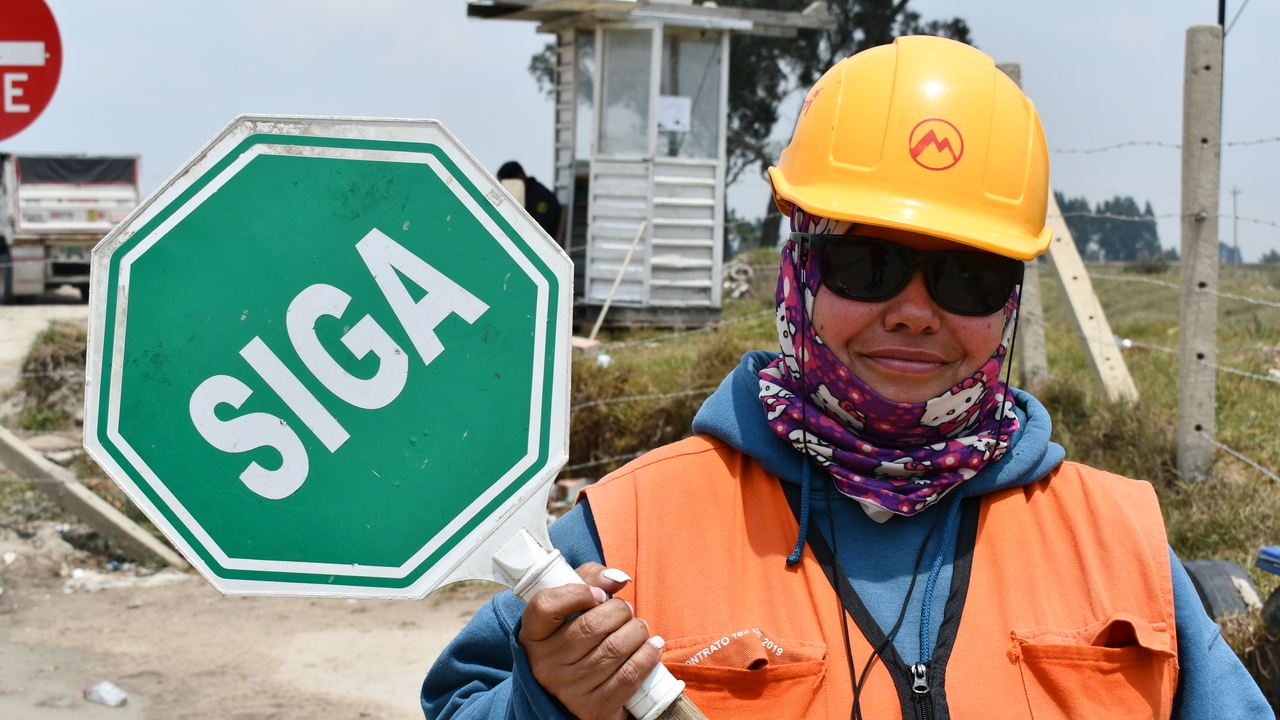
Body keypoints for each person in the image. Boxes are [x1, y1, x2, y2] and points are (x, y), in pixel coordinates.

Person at [424, 37, 1273, 720]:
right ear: (799, 271)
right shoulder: (633, 530)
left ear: (1009, 302)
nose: (913, 310)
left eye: (965, 276)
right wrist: (546, 699)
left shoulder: (1119, 542)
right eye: (867, 263)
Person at [496, 161, 562, 239]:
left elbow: (540, 229)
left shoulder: (541, 196)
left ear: (520, 177)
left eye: (510, 184)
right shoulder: (523, 194)